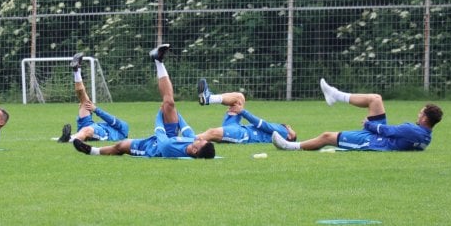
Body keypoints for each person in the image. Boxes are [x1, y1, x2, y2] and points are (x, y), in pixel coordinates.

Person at [73, 44, 215, 159]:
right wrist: (175, 112)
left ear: (195, 150)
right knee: (170, 103)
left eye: (202, 142)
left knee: (120, 147)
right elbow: (187, 130)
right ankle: (158, 60)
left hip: (151, 147)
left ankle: (92, 151)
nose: (201, 139)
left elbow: (159, 132)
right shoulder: (193, 141)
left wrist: (160, 113)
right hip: (169, 135)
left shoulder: (168, 149)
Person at [272, 78, 443, 151]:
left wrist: (369, 125)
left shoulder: (412, 131)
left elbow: (388, 131)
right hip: (383, 138)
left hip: (375, 142)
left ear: (424, 118)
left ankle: (290, 146)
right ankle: (335, 95)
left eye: (420, 113)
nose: (418, 114)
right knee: (375, 99)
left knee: (326, 136)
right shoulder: (425, 136)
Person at [56, 52, 129, 143]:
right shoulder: (120, 128)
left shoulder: (124, 129)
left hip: (103, 133)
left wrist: (96, 109)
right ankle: (76, 70)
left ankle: (68, 138)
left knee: (86, 130)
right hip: (91, 124)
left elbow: (111, 119)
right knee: (83, 99)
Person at [195, 78, 297, 143]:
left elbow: (261, 124)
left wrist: (242, 111)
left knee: (211, 132)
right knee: (239, 98)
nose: (289, 126)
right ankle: (209, 98)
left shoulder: (283, 132)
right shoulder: (280, 132)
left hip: (243, 134)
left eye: (292, 130)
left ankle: (185, 140)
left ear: (290, 136)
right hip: (237, 127)